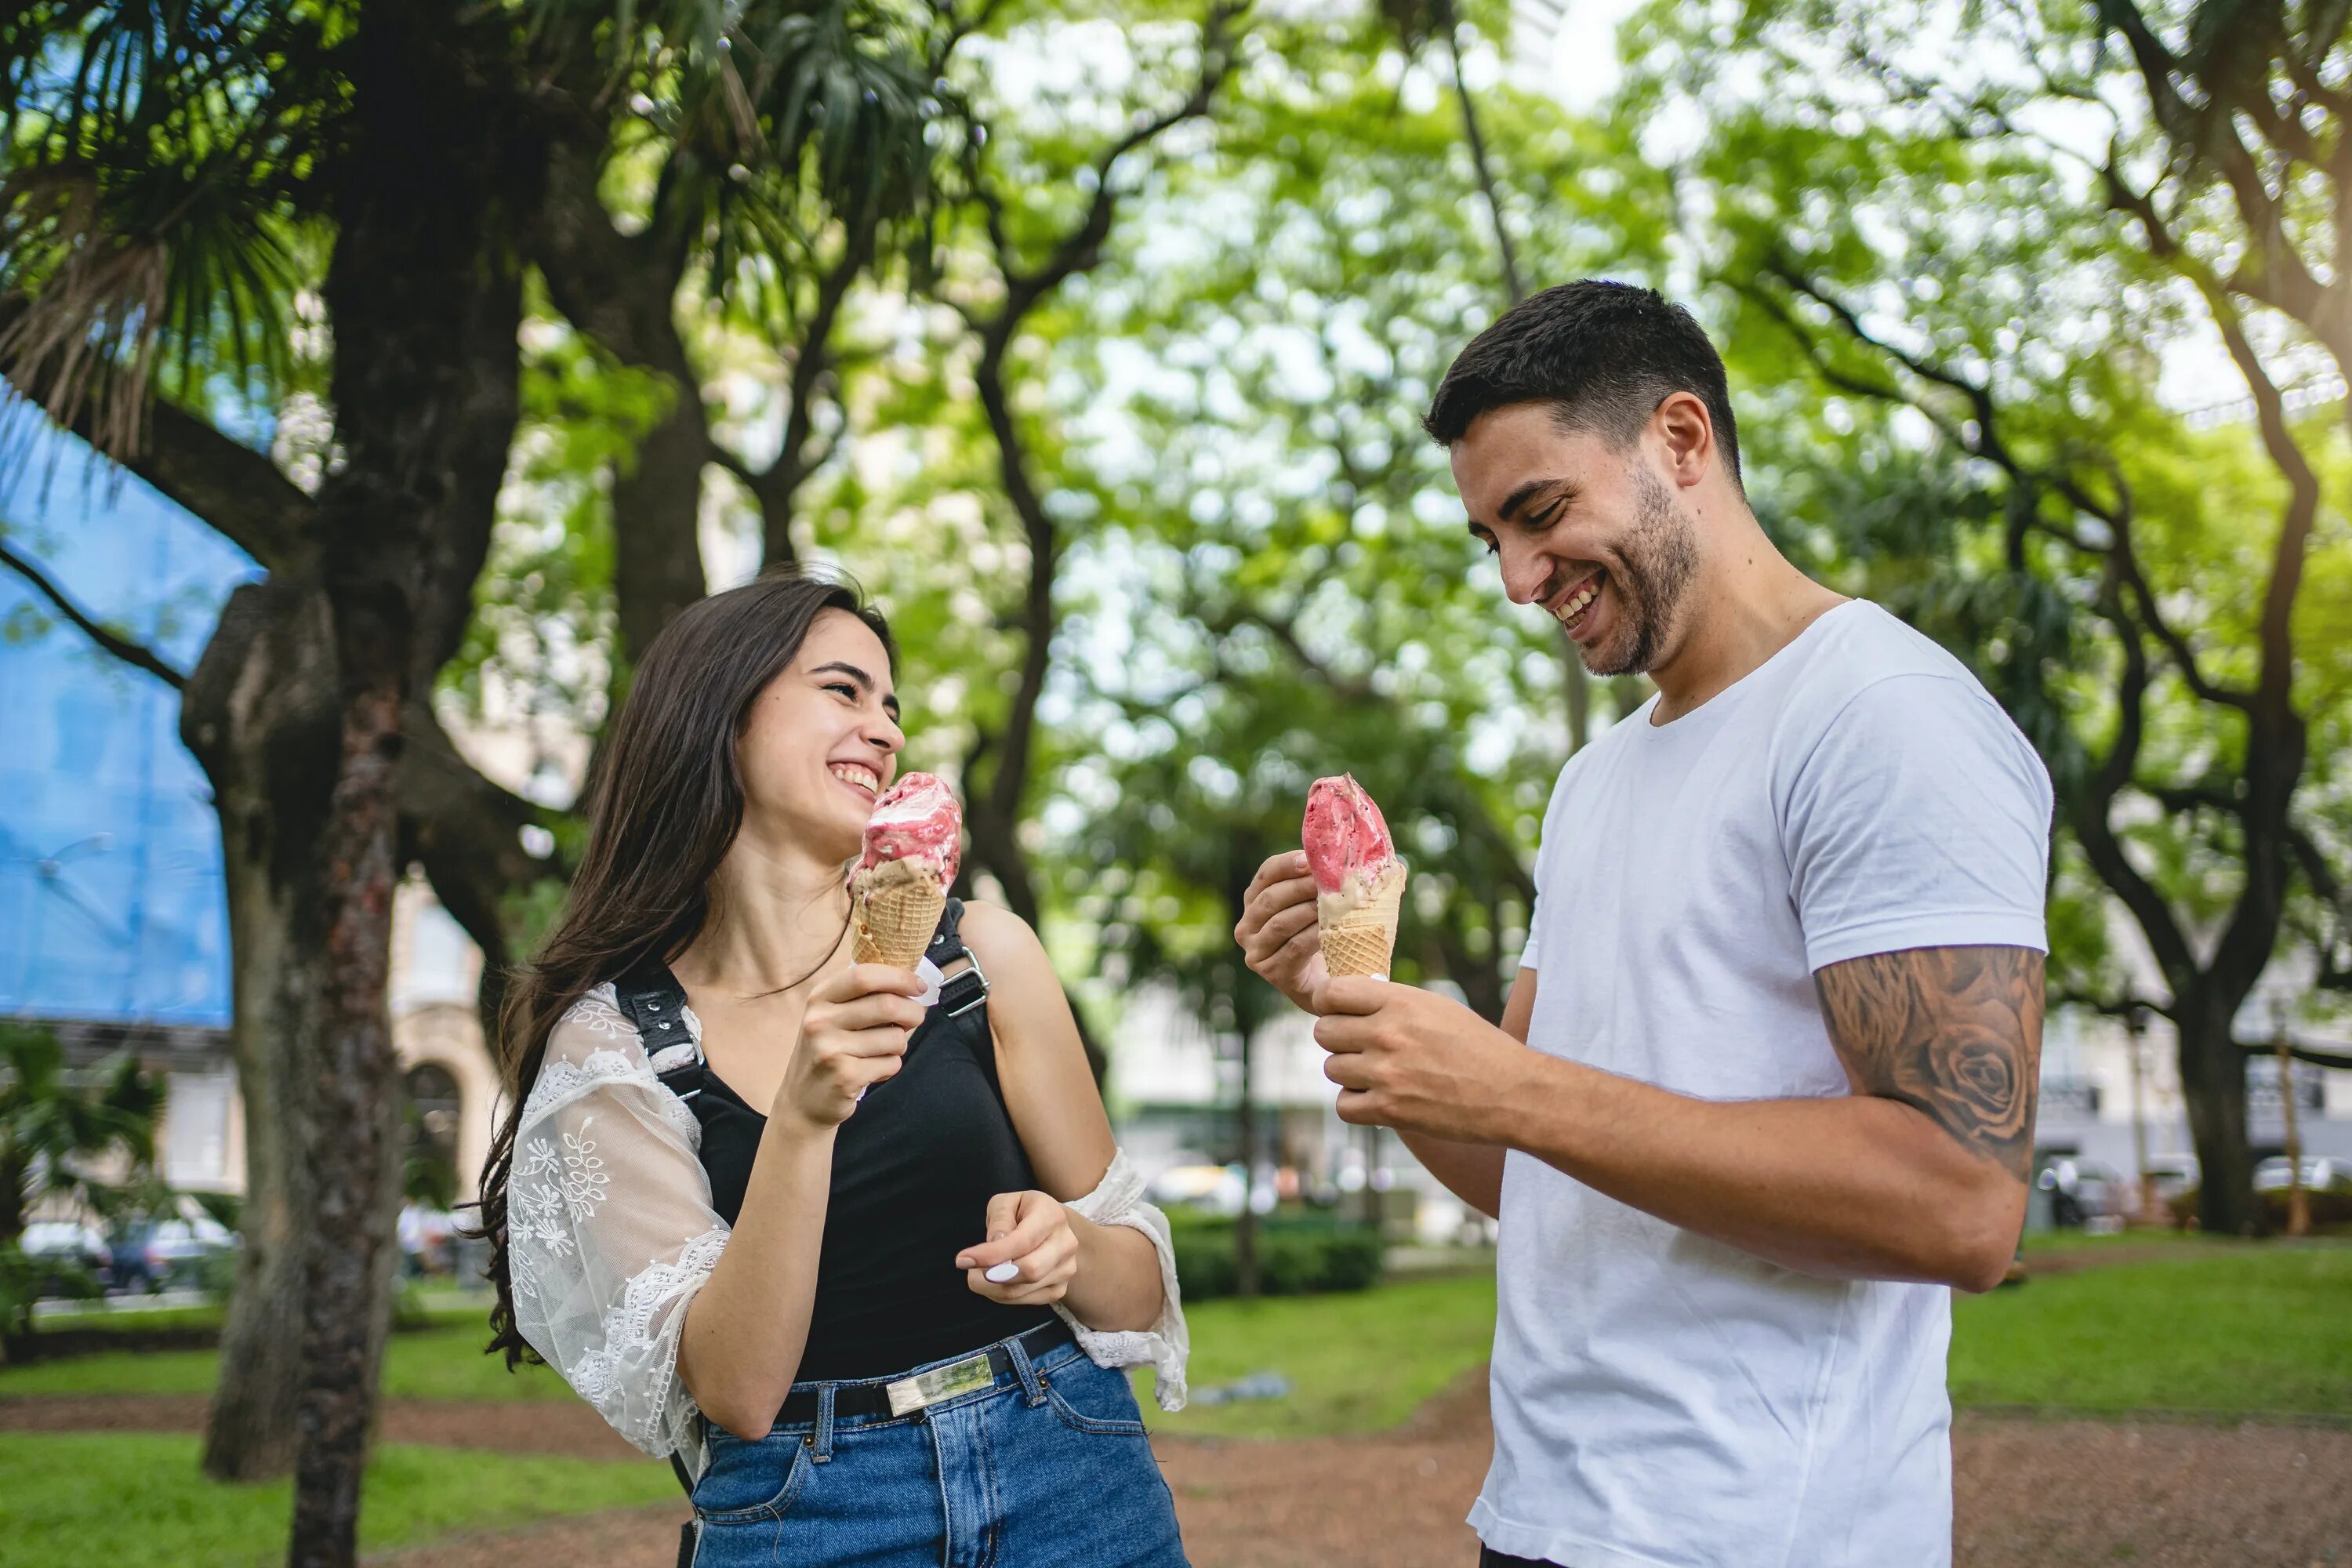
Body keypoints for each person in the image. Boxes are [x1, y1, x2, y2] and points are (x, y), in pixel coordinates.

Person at [1235, 281, 2051, 1568]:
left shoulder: (1881, 717)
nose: (1516, 579)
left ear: (1681, 441)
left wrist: (1516, 1089)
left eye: (1541, 513)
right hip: (1545, 1517)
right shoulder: (1594, 781)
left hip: (1759, 1537)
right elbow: (1527, 1172)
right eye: (1490, 537)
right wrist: (1363, 1010)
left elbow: (1959, 1206)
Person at [478, 569, 1190, 1568]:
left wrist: (1071, 1244)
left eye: (892, 707)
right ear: (721, 711)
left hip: (1068, 1467)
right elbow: (738, 1387)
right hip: (813, 1515)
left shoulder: (981, 954)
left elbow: (1144, 1293)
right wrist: (806, 1118)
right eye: (844, 691)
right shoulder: (615, 1045)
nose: (887, 731)